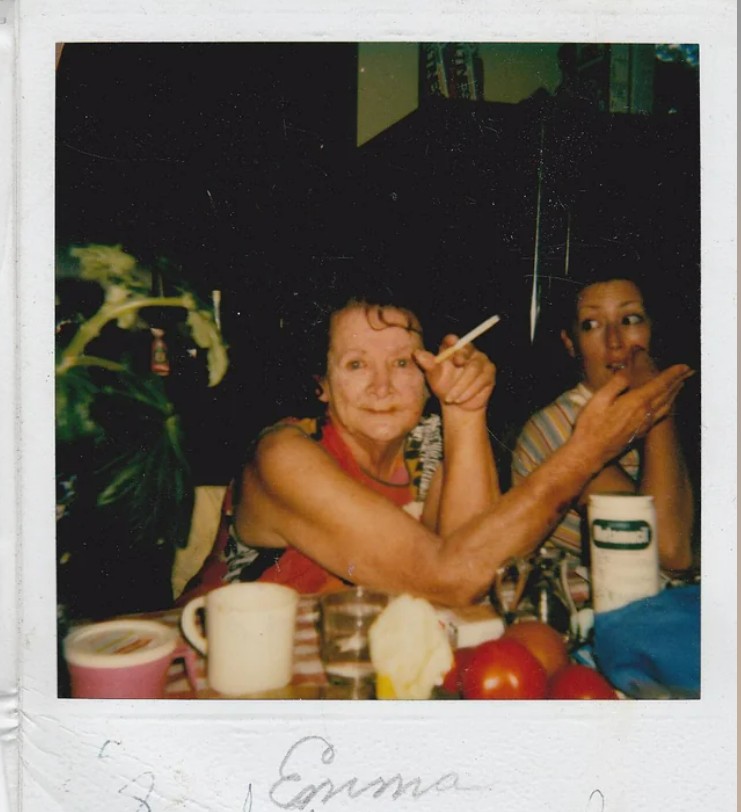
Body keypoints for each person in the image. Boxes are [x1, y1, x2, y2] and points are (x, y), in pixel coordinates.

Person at [179, 295, 692, 608]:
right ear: (322, 386)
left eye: (403, 363)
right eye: (356, 365)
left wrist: (465, 412)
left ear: (428, 375)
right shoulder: (285, 455)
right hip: (222, 678)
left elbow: (477, 570)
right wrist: (586, 452)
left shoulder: (427, 448)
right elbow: (448, 580)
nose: (382, 386)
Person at [511, 272, 695, 572]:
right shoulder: (560, 425)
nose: (615, 342)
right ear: (570, 343)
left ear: (653, 329)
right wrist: (659, 403)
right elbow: (668, 551)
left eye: (630, 319)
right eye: (591, 324)